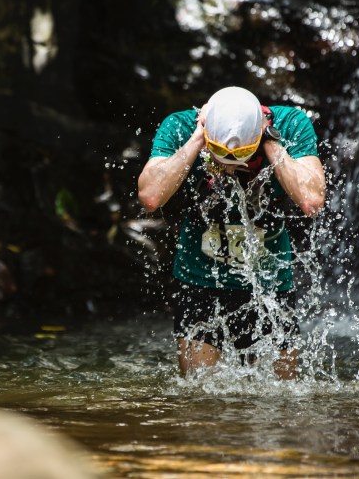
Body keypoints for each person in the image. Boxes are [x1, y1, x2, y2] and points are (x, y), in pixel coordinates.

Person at [138, 86, 325, 378]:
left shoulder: (289, 124)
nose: (228, 169)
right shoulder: (181, 126)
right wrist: (197, 139)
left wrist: (271, 142)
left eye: (241, 158)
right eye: (219, 158)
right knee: (199, 393)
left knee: (283, 397)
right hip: (200, 279)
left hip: (269, 283)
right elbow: (150, 196)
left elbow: (311, 200)